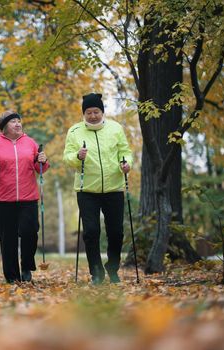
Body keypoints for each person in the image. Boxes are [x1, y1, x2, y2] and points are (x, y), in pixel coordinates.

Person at [63, 93, 133, 285]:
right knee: (91, 232)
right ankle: (96, 273)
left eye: (96, 111)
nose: (93, 115)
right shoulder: (75, 131)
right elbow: (67, 157)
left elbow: (125, 152)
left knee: (116, 232)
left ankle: (112, 268)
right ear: (83, 113)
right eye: (88, 112)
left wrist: (126, 164)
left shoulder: (115, 128)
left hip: (114, 188)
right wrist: (77, 156)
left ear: (102, 112)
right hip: (87, 190)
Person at [0, 110, 49, 283]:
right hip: (4, 199)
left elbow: (40, 168)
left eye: (19, 121)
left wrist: (42, 160)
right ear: (5, 127)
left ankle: (27, 266)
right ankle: (12, 276)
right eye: (13, 122)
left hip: (28, 197)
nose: (18, 124)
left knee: (30, 232)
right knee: (7, 239)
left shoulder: (30, 142)